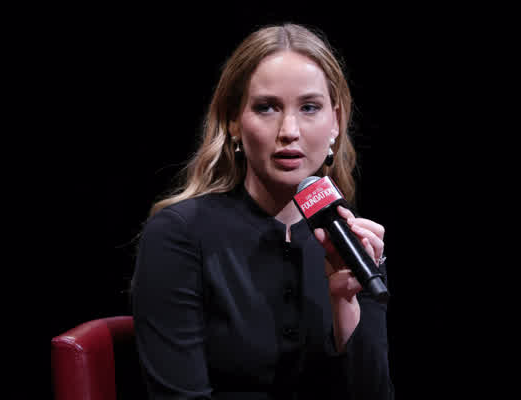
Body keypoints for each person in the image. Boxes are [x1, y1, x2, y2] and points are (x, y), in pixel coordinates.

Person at [131, 23, 393, 399]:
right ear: (233, 121)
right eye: (266, 107)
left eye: (309, 107)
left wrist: (345, 302)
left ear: (335, 121)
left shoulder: (352, 240)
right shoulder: (178, 235)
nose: (289, 130)